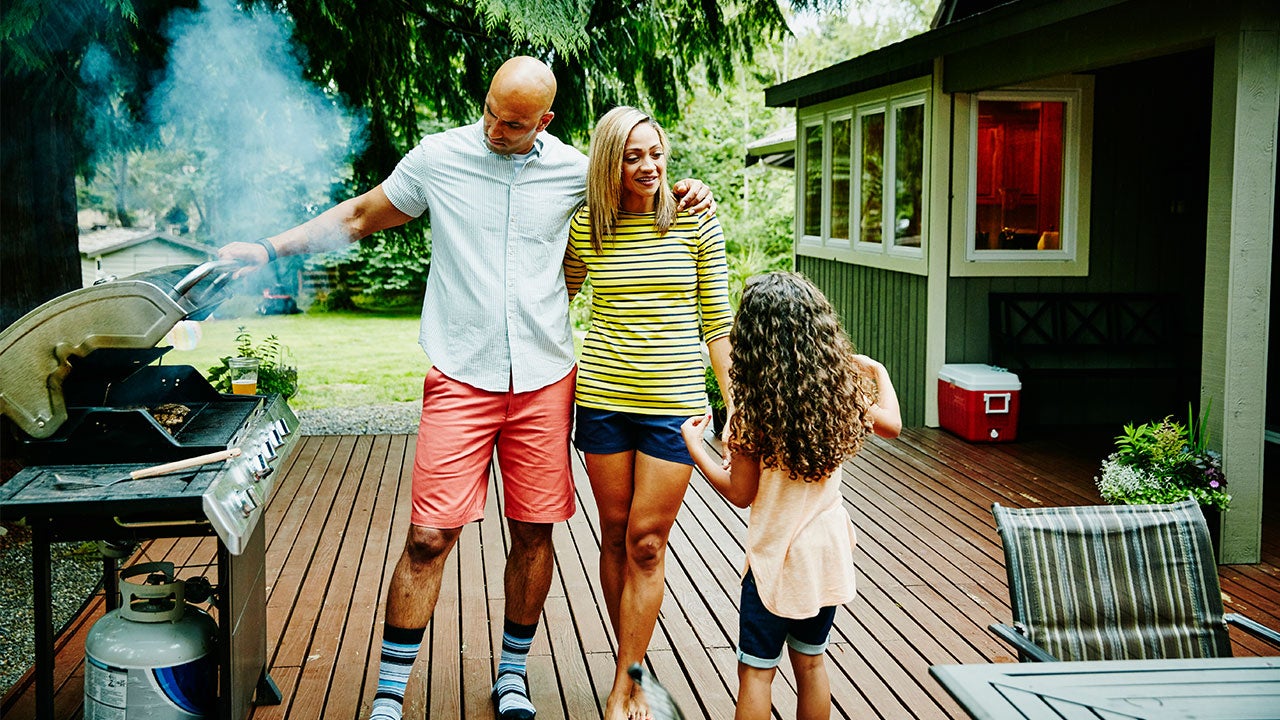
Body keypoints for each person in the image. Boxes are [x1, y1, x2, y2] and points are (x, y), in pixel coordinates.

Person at [218, 57, 712, 720]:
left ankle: (512, 676)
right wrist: (272, 250)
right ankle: (390, 695)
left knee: (535, 532)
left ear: (545, 122)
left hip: (543, 380)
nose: (493, 129)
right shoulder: (439, 158)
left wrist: (688, 192)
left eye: (512, 124)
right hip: (461, 375)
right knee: (428, 537)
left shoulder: (573, 171)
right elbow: (363, 215)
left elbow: (635, 191)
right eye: (489, 112)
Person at [563, 106, 733, 720]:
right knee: (612, 534)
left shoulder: (694, 221)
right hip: (603, 404)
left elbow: (718, 323)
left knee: (645, 541)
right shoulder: (590, 226)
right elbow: (559, 292)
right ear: (610, 162)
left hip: (675, 408)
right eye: (633, 156)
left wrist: (734, 406)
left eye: (655, 152)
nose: (649, 166)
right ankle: (629, 670)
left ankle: (625, 681)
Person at [679, 271, 902, 720]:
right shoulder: (838, 394)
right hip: (825, 556)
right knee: (812, 663)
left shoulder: (752, 409)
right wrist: (876, 370)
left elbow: (740, 494)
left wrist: (694, 447)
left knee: (757, 673)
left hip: (774, 565)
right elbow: (893, 426)